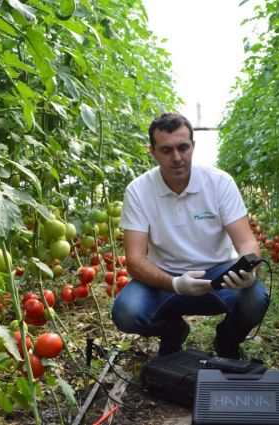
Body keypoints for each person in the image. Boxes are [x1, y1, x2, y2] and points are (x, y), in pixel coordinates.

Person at [111, 112, 269, 359]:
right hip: (164, 280)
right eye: (166, 150)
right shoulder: (139, 191)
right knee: (126, 312)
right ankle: (173, 330)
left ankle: (227, 340)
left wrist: (250, 272)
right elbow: (135, 260)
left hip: (218, 276)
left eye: (183, 147)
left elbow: (247, 241)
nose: (177, 158)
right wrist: (175, 284)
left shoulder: (219, 183)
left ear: (193, 146)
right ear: (152, 152)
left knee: (255, 298)